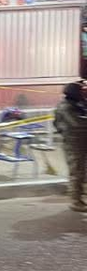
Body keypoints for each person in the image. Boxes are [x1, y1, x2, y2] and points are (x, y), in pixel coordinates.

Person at [53, 80, 87, 212]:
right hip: (73, 143)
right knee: (77, 171)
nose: (84, 93)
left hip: (82, 141)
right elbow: (77, 124)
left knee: (82, 171)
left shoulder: (79, 104)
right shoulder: (65, 107)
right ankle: (76, 201)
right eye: (82, 91)